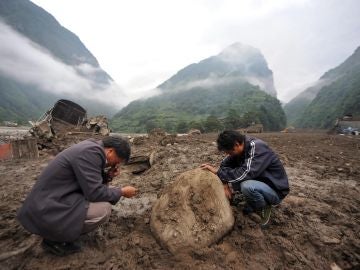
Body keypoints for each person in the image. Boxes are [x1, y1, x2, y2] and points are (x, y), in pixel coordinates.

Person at [17, 136, 137, 256]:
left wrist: (109, 176)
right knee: (103, 210)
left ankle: (57, 229)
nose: (116, 164)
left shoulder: (92, 147)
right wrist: (121, 192)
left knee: (104, 198)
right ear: (110, 151)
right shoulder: (92, 153)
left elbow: (90, 182)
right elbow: (95, 193)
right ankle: (55, 239)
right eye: (118, 160)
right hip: (46, 209)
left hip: (51, 199)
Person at [201, 130, 289, 226]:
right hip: (260, 183)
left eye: (229, 152)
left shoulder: (257, 147)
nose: (229, 155)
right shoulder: (239, 149)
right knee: (235, 177)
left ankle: (264, 206)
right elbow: (224, 165)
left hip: (275, 190)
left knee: (246, 186)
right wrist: (225, 185)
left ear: (236, 144)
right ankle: (253, 201)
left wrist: (218, 173)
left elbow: (245, 173)